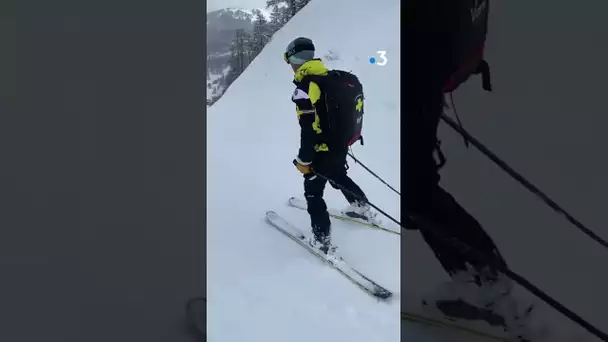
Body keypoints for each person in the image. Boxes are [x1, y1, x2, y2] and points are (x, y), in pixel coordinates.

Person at [284, 37, 376, 256]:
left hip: (321, 150)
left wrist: (304, 160)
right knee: (337, 175)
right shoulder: (329, 77)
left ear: (293, 59)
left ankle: (322, 241)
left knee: (314, 193)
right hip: (340, 145)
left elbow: (308, 130)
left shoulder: (307, 87)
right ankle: (362, 207)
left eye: (288, 60)